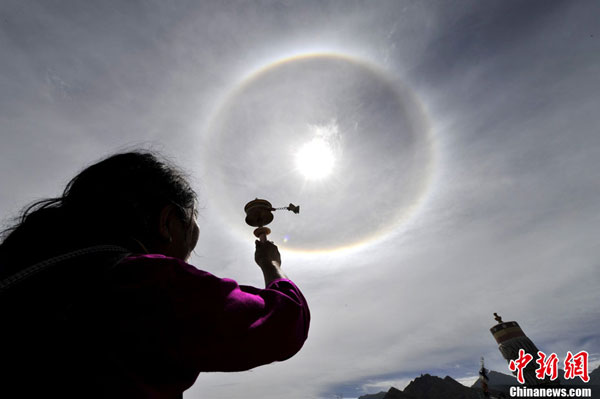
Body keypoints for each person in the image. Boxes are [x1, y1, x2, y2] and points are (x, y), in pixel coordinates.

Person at [0, 151, 310, 399]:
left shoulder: (33, 269)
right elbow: (283, 323)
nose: (192, 243)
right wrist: (271, 266)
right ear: (166, 223)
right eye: (192, 225)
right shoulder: (142, 282)